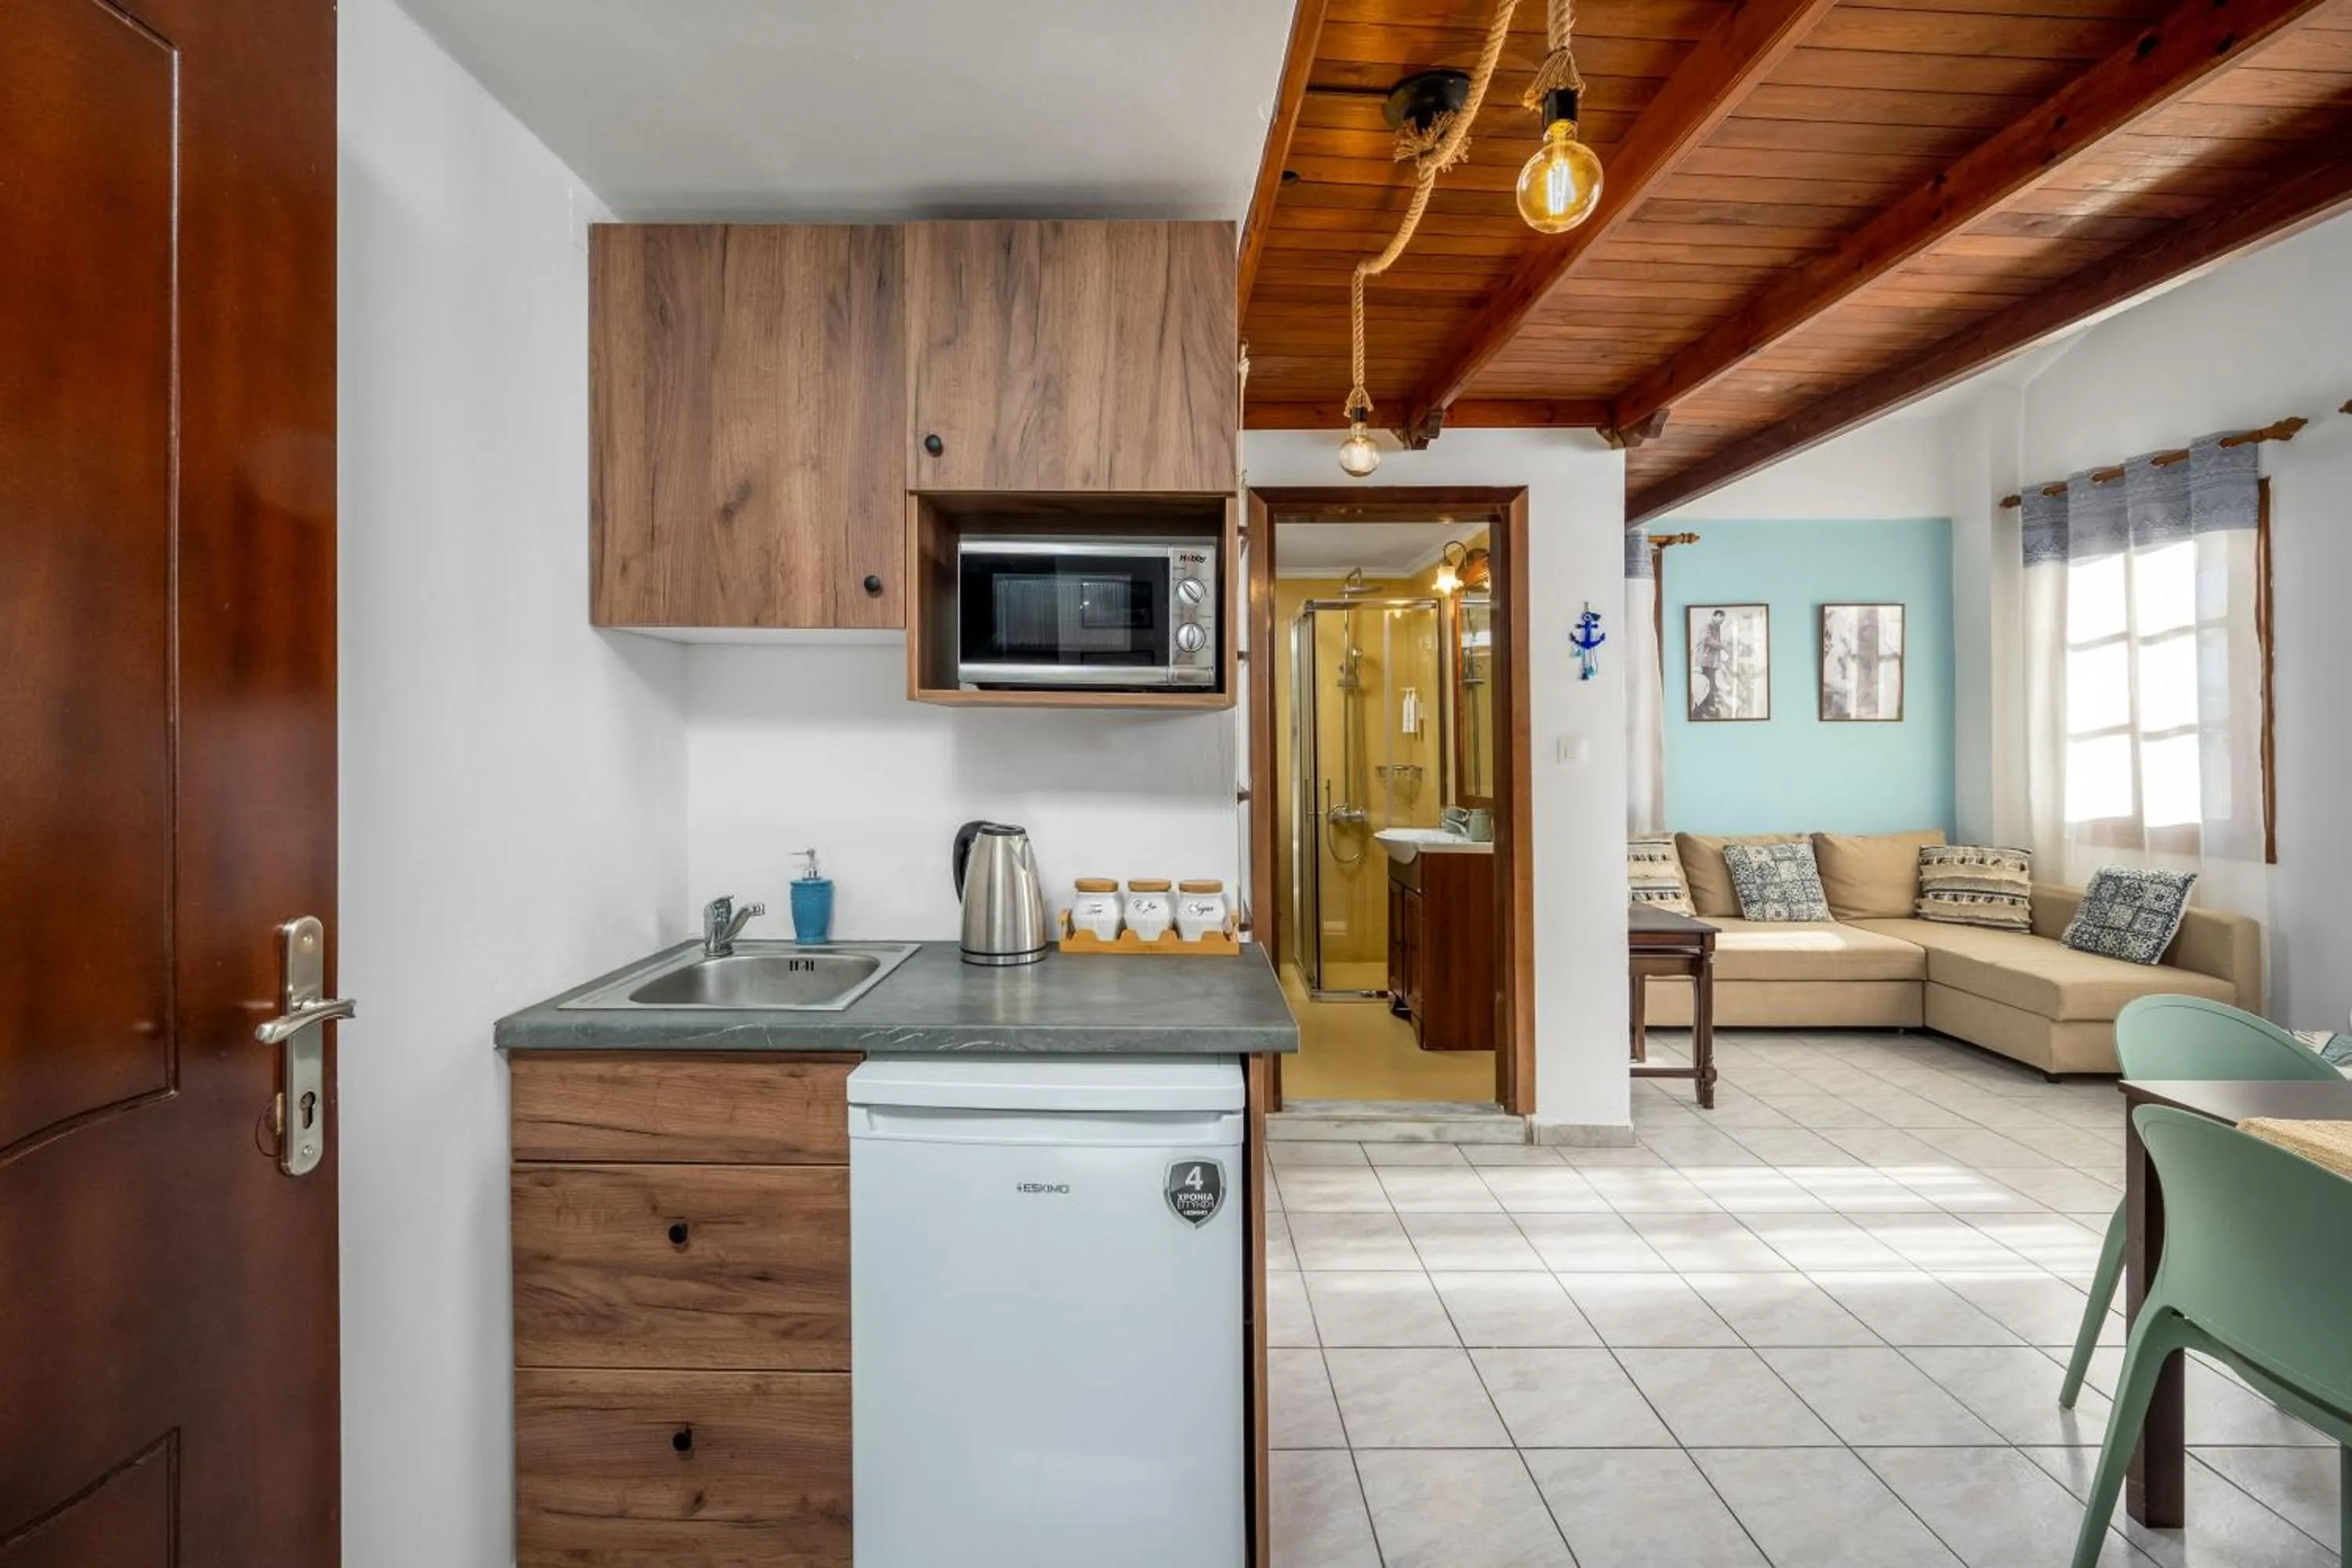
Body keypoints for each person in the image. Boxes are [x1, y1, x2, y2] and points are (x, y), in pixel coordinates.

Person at [1695, 608, 1729, 718]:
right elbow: (1706, 639)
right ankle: (1708, 707)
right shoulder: (1708, 625)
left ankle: (1708, 707)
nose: (1722, 622)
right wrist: (1721, 645)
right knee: (1709, 684)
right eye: (1721, 619)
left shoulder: (1716, 627)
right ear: (1716, 616)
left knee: (1711, 684)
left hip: (1711, 662)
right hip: (1706, 661)